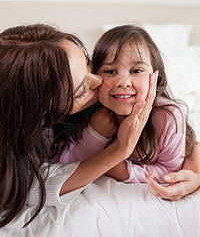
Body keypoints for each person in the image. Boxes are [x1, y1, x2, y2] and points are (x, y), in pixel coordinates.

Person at [0, 24, 199, 230]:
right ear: (42, 110)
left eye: (87, 63)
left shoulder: (161, 113)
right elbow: (41, 180)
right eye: (80, 90)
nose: (99, 81)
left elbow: (179, 140)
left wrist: (195, 169)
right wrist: (115, 148)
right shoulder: (42, 131)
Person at [60, 25, 196, 184]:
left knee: (188, 102)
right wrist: (96, 134)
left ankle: (191, 97)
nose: (123, 82)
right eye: (110, 71)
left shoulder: (168, 116)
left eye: (136, 71)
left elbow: (170, 170)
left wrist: (120, 169)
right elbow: (65, 164)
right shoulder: (87, 110)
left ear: (155, 76)